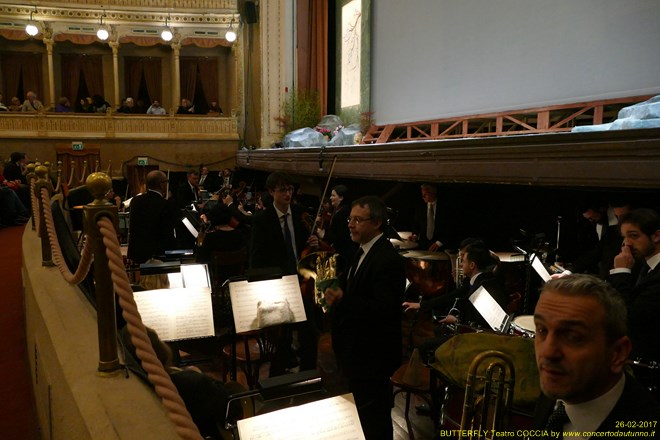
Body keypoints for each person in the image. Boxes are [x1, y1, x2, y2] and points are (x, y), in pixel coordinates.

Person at [532, 274, 660, 438]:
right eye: (542, 329)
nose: (548, 352)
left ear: (618, 353)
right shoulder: (559, 382)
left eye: (573, 337)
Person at [324, 196, 406, 440]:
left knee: (375, 419)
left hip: (373, 355)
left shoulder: (387, 259)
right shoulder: (362, 250)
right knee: (363, 414)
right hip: (357, 352)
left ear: (377, 223)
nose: (350, 224)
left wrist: (342, 298)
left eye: (358, 220)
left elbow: (383, 310)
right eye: (350, 218)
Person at [119, 326, 243, 439]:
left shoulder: (131, 392)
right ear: (158, 349)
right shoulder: (190, 383)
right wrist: (199, 377)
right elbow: (235, 407)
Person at [249, 171, 319, 372]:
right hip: (278, 283)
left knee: (310, 331)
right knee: (282, 335)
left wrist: (314, 242)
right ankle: (279, 374)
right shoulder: (262, 220)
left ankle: (308, 373)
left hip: (302, 281)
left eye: (290, 189)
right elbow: (256, 256)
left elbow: (306, 246)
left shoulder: (299, 213)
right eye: (282, 190)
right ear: (271, 192)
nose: (288, 194)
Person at [403, 239, 507, 362]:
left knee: (424, 346)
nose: (461, 264)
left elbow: (479, 323)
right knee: (438, 330)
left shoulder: (482, 287)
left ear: (472, 265)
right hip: (471, 328)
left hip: (476, 338)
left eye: (463, 261)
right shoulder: (481, 280)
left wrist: (458, 320)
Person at [608, 208, 660, 363]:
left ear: (656, 236)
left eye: (634, 236)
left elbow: (625, 316)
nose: (627, 244)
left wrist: (621, 271)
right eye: (624, 237)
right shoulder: (644, 266)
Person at [127, 170, 178, 265]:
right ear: (161, 185)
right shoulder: (166, 204)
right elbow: (167, 233)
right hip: (157, 255)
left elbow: (133, 228)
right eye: (166, 182)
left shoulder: (136, 201)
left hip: (138, 253)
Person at [317, 184, 358, 271]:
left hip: (344, 252)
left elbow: (341, 236)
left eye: (333, 195)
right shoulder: (340, 210)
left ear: (341, 198)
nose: (330, 198)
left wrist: (324, 235)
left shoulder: (343, 213)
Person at [412, 183, 451, 251]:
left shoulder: (445, 207)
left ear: (433, 193)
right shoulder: (420, 207)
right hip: (423, 247)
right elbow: (416, 224)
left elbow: (450, 228)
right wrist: (415, 235)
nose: (423, 197)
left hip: (440, 247)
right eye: (422, 194)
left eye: (425, 194)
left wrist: (438, 243)